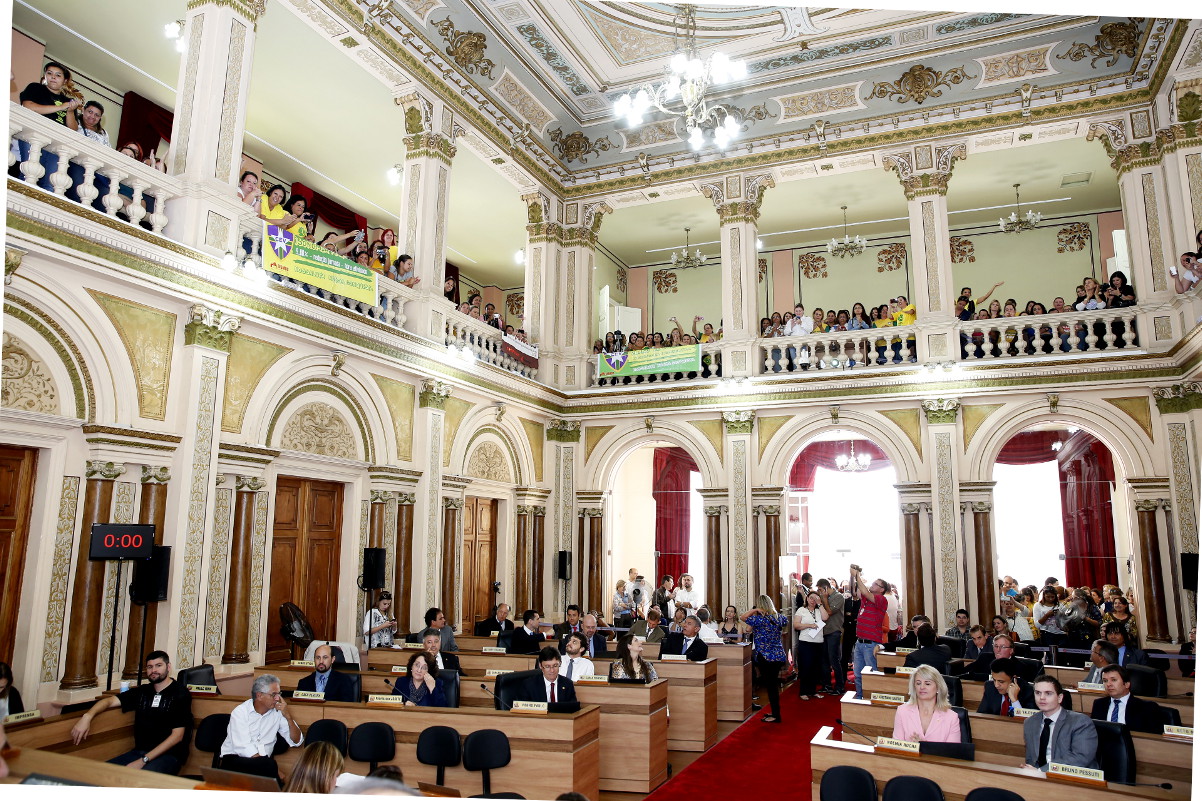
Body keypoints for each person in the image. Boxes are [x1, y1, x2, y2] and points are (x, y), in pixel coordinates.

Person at [70, 650, 192, 774]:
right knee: (100, 772)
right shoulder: (143, 691)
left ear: (168, 667)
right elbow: (108, 702)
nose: (153, 670)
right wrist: (87, 716)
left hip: (169, 756)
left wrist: (143, 761)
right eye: (150, 667)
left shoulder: (180, 693)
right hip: (139, 752)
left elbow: (177, 736)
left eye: (158, 666)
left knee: (138, 780)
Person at [219, 674, 303, 780]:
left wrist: (288, 717)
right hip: (236, 761)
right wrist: (273, 769)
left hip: (263, 766)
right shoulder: (240, 712)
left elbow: (296, 741)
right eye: (274, 694)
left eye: (279, 694)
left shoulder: (277, 712)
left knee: (268, 767)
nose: (278, 698)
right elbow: (244, 748)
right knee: (269, 768)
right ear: (259, 696)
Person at [1021, 674, 1099, 770]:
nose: (1042, 697)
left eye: (1048, 693)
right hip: (1041, 780)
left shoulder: (1080, 722)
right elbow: (1031, 760)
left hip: (1072, 780)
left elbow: (1080, 758)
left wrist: (1041, 771)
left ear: (1060, 698)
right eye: (1038, 693)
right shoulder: (1030, 722)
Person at [742, 594, 789, 723]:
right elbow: (785, 622)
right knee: (772, 685)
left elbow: (743, 617)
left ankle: (776, 715)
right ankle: (775, 712)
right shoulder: (779, 618)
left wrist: (755, 610)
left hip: (765, 656)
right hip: (778, 655)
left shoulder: (758, 620)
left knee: (771, 686)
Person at [892, 665, 961, 743]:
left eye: (927, 684)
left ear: (938, 687)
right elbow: (896, 746)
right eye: (918, 683)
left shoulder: (951, 717)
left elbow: (953, 753)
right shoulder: (902, 711)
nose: (922, 687)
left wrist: (924, 746)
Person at [850, 566, 890, 699]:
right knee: (858, 674)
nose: (872, 585)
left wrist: (857, 576)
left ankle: (872, 701)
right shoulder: (866, 600)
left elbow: (865, 592)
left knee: (871, 674)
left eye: (875, 584)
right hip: (860, 641)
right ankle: (860, 698)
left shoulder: (881, 600)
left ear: (882, 589)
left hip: (870, 644)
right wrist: (852, 576)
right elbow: (855, 591)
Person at [1089, 665, 1163, 734]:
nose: (1108, 684)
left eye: (1114, 680)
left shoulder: (1147, 707)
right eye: (1105, 681)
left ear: (1127, 684)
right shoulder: (1099, 704)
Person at [20, 62, 80, 129]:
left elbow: (74, 129)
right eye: (49, 73)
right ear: (45, 75)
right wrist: (60, 107)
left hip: (57, 136)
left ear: (65, 81)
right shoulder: (35, 87)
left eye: (58, 75)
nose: (53, 77)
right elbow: (28, 106)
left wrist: (70, 111)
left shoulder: (68, 101)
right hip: (32, 129)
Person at [793, 590, 827, 699]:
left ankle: (813, 691)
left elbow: (826, 617)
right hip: (806, 642)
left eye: (816, 599)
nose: (813, 601)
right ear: (807, 598)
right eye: (811, 598)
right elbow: (796, 625)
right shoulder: (801, 610)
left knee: (816, 667)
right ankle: (803, 691)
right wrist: (809, 625)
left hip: (818, 642)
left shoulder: (818, 610)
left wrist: (820, 604)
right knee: (806, 667)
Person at [817, 579, 845, 694]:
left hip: (834, 631)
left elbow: (829, 612)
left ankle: (839, 687)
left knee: (834, 660)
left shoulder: (838, 597)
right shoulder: (822, 597)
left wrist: (823, 599)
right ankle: (826, 684)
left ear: (825, 588)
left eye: (820, 590)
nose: (818, 592)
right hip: (823, 631)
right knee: (824, 660)